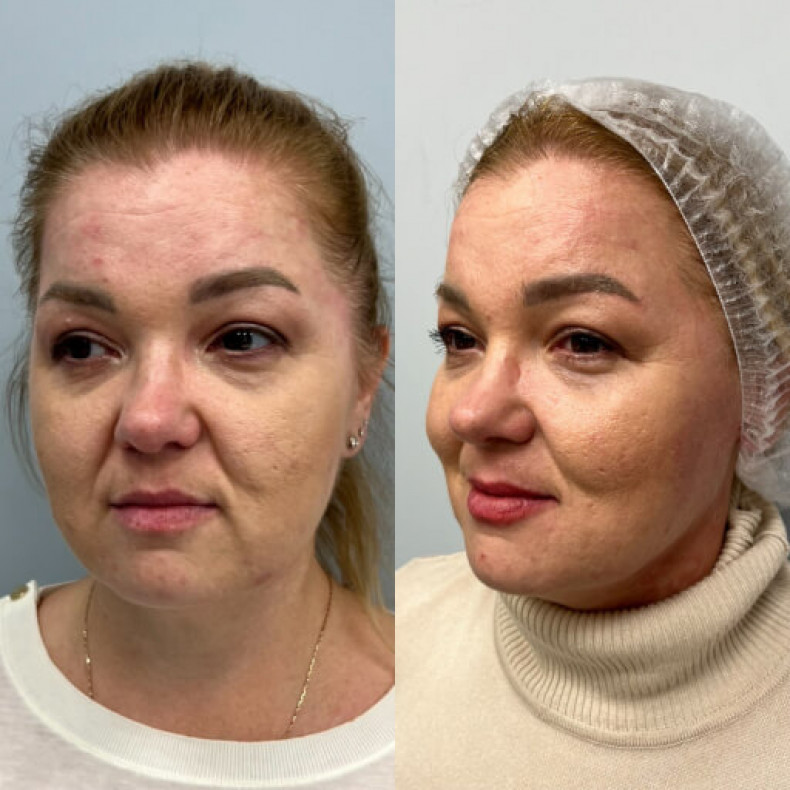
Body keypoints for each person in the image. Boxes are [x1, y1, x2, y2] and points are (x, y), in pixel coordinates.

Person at [1, 62, 393, 788]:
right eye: (83, 346)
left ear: (363, 382)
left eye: (242, 338)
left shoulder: (469, 735)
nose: (149, 420)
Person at [396, 78, 790, 789]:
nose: (472, 415)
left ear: (766, 388)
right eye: (460, 338)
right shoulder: (395, 636)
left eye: (582, 342)